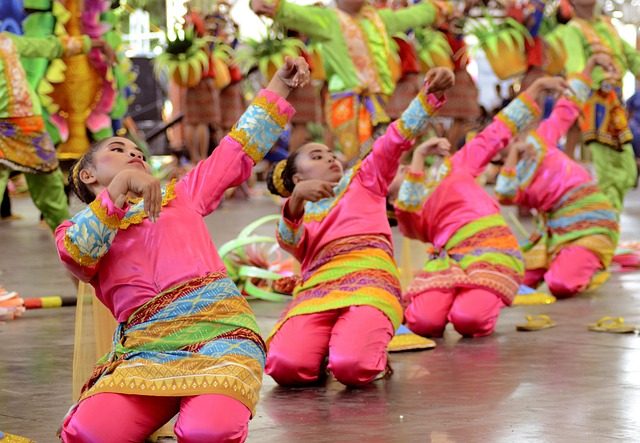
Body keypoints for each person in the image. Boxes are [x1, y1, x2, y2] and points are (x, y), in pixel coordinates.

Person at [55, 57, 310, 442]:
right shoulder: (76, 230)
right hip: (147, 352)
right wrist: (118, 191)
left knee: (206, 433)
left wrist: (279, 85)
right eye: (119, 150)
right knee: (89, 433)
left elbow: (237, 148)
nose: (135, 155)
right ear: (88, 175)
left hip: (222, 338)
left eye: (137, 152)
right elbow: (80, 254)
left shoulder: (182, 195)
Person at [264, 67, 454, 387]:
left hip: (369, 282)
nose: (330, 158)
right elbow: (291, 243)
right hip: (317, 290)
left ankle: (358, 343)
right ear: (297, 179)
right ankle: (328, 344)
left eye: (330, 154)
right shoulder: (298, 209)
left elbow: (393, 141)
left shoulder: (364, 180)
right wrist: (296, 202)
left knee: (352, 367)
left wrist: (428, 97)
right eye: (316, 155)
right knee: (285, 367)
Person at [391, 77, 562, 338]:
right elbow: (409, 210)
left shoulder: (452, 167)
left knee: (467, 320)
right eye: (391, 173)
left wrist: (535, 90)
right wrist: (417, 157)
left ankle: (474, 300)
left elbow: (496, 132)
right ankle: (458, 299)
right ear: (387, 197)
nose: (401, 167)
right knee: (423, 323)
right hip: (447, 263)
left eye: (404, 164)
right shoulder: (405, 212)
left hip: (492, 254)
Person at [251, 0, 446, 162]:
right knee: (360, 156)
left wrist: (438, 6)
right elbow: (293, 13)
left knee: (385, 151)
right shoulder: (328, 19)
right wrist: (268, 5)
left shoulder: (378, 19)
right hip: (346, 101)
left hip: (379, 101)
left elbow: (413, 16)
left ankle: (376, 198)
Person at [495, 55, 619, 298]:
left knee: (560, 285)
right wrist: (513, 157)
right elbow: (505, 194)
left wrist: (591, 64)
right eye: (499, 141)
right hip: (554, 232)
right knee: (518, 283)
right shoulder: (508, 174)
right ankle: (564, 261)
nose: (505, 141)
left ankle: (584, 264)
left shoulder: (540, 140)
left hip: (589, 223)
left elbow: (568, 107)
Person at [0, 32, 107, 230]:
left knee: (50, 186)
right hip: (22, 124)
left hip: (27, 127)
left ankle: (67, 237)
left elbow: (47, 46)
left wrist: (90, 42)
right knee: (49, 186)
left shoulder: (7, 41)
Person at [561, 0, 640, 211]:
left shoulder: (607, 24)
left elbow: (633, 60)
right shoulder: (572, 30)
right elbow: (575, 71)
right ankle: (606, 224)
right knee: (607, 170)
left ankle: (605, 218)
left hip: (616, 104)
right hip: (594, 103)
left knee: (628, 169)